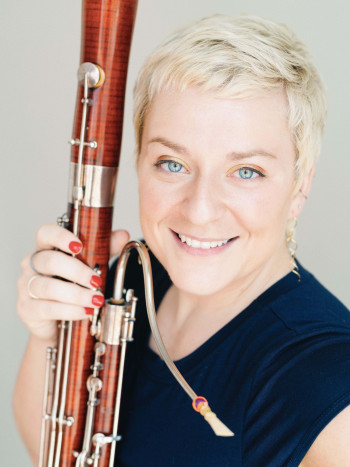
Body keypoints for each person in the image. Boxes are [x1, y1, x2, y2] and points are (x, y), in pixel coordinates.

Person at [14, 14, 350, 466]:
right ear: (138, 160)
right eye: (172, 163)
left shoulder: (330, 383)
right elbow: (51, 451)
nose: (199, 209)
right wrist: (48, 336)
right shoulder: (131, 274)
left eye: (246, 171)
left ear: (299, 187)